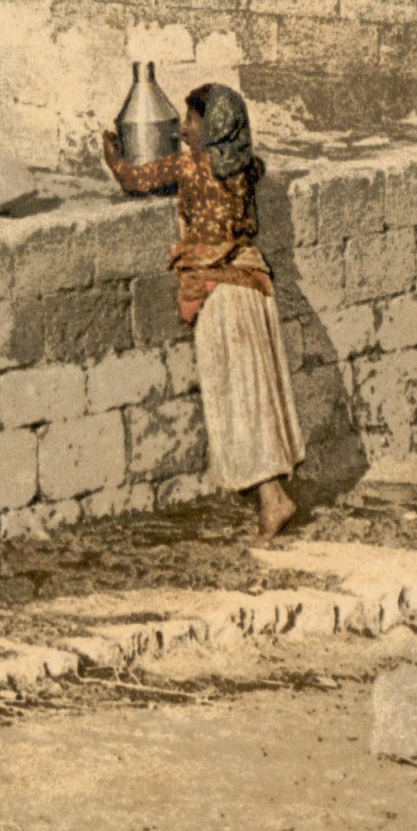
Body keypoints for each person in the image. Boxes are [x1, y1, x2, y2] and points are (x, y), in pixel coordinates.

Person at [105, 82, 304, 540]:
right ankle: (272, 494)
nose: (187, 129)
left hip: (223, 297)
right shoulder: (246, 168)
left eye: (193, 121)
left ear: (209, 126)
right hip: (251, 287)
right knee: (258, 391)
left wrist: (113, 153)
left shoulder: (192, 166)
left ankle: (272, 498)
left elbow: (134, 179)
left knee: (238, 397)